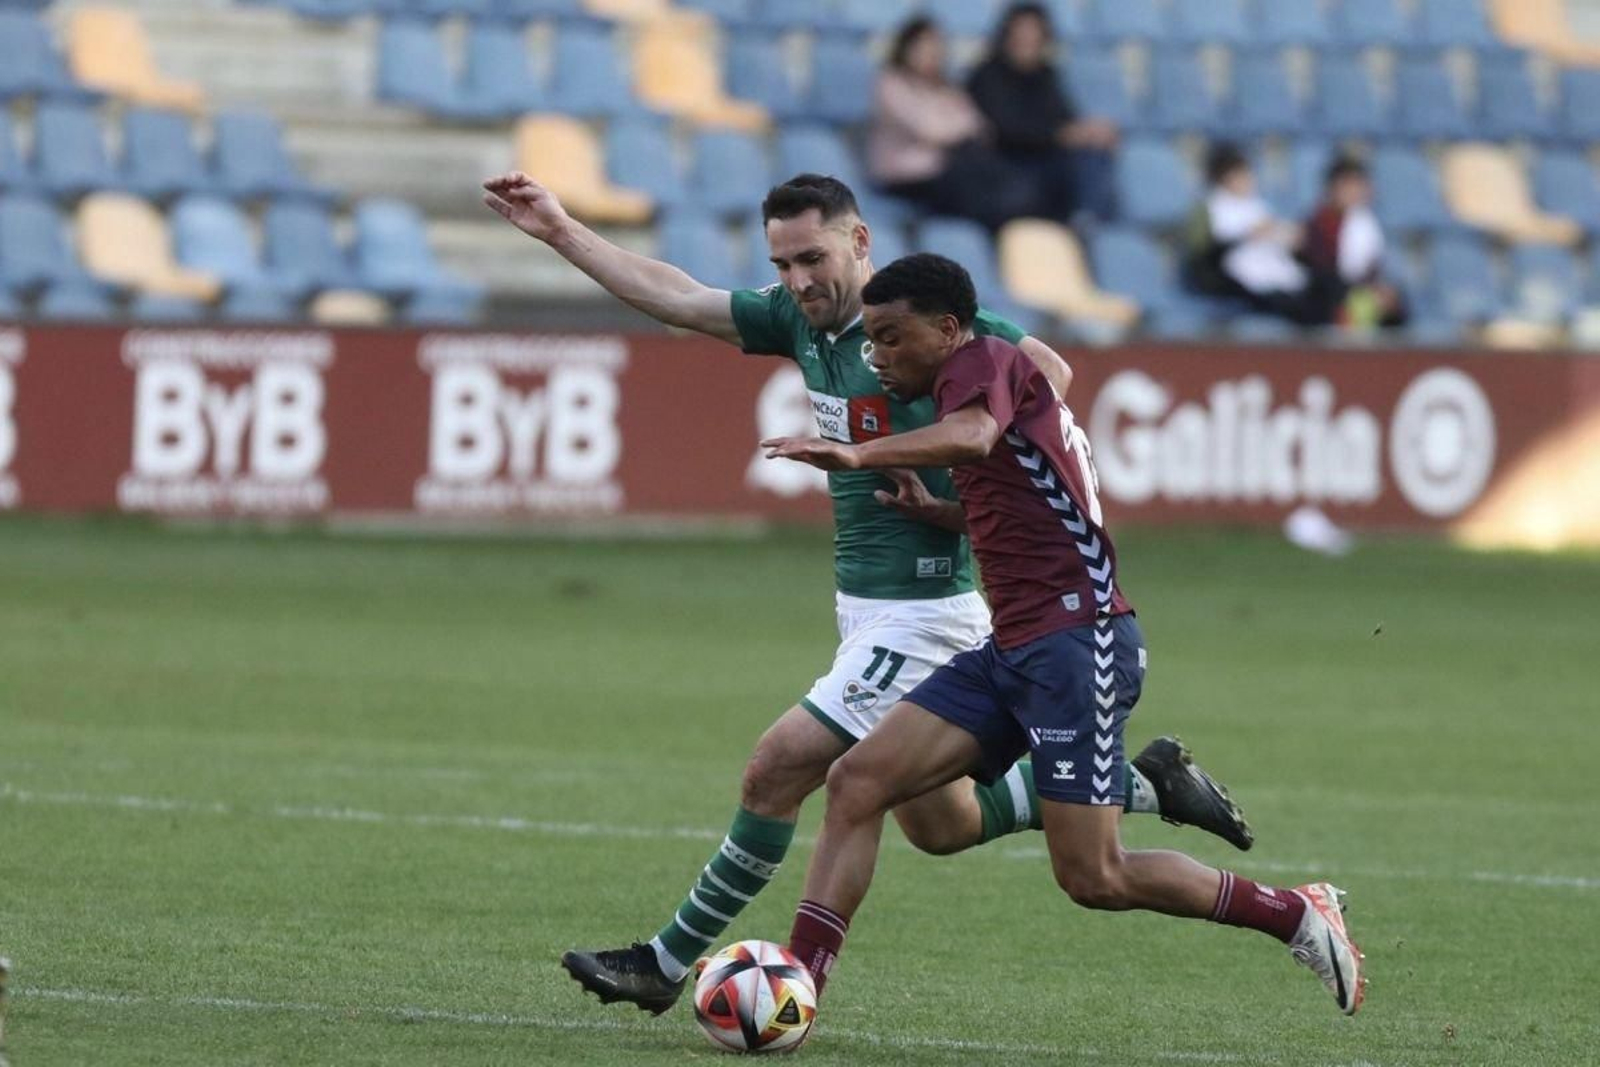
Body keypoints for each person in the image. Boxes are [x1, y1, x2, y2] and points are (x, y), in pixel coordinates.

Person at [481, 170, 1253, 1016]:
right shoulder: (798, 322)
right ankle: (1145, 784)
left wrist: (968, 471)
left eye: (812, 257)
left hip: (927, 614)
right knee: (941, 823)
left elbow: (1048, 373)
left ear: (859, 242)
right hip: (867, 610)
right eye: (782, 264)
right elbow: (680, 298)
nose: (798, 280)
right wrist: (561, 231)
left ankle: (664, 962)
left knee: (778, 767)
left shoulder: (934, 330)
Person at [763, 253, 1365, 1015]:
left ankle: (1297, 911)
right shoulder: (980, 381)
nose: (876, 357)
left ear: (946, 329)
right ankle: (799, 983)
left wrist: (855, 452)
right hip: (1014, 648)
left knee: (1094, 876)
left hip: (1080, 644)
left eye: (890, 338)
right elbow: (1026, 503)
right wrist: (938, 513)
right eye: (871, 340)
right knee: (859, 783)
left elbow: (973, 436)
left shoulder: (984, 362)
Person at [868, 16, 1036, 230]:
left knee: (999, 174)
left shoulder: (945, 87)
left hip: (946, 172)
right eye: (922, 48)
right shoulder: (891, 83)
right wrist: (956, 128)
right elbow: (929, 130)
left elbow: (979, 126)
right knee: (976, 190)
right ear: (906, 48)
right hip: (907, 177)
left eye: (935, 49)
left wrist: (955, 128)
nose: (929, 55)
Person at [966, 1, 1119, 224]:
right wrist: (1060, 135)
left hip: (1047, 162)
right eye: (1022, 31)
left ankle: (1088, 223)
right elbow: (1007, 130)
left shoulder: (1046, 74)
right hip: (1006, 166)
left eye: (1034, 32)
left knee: (1094, 153)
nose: (1028, 39)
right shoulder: (987, 75)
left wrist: (1089, 132)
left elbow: (1065, 118)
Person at [1202, 143, 1336, 326]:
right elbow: (1214, 247)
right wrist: (1249, 234)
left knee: (1322, 287)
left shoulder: (1255, 204)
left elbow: (1275, 232)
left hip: (1273, 265)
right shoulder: (1214, 206)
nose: (1247, 180)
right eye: (1240, 175)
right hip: (1242, 273)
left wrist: (1291, 237)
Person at [1303, 156, 1409, 331]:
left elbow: (1374, 268)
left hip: (1363, 296)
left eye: (1357, 185)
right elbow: (1323, 274)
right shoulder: (1321, 224)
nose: (1353, 192)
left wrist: (1383, 293)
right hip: (1330, 301)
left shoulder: (1368, 222)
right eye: (1347, 186)